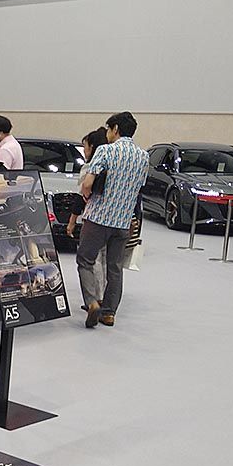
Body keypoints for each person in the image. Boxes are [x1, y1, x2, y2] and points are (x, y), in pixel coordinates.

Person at [77, 111, 149, 328]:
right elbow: (139, 188)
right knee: (115, 268)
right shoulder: (143, 156)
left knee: (85, 260)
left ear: (115, 129)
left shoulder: (105, 150)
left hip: (98, 218)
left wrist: (86, 194)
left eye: (109, 129)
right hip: (123, 222)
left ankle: (92, 303)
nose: (107, 133)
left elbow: (88, 183)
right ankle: (109, 313)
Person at [67, 128, 109, 303]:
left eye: (85, 147)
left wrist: (72, 221)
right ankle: (105, 296)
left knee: (91, 260)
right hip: (114, 220)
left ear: (92, 147)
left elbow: (82, 196)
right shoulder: (113, 165)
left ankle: (96, 299)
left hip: (94, 219)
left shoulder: (90, 167)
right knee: (106, 261)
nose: (84, 151)